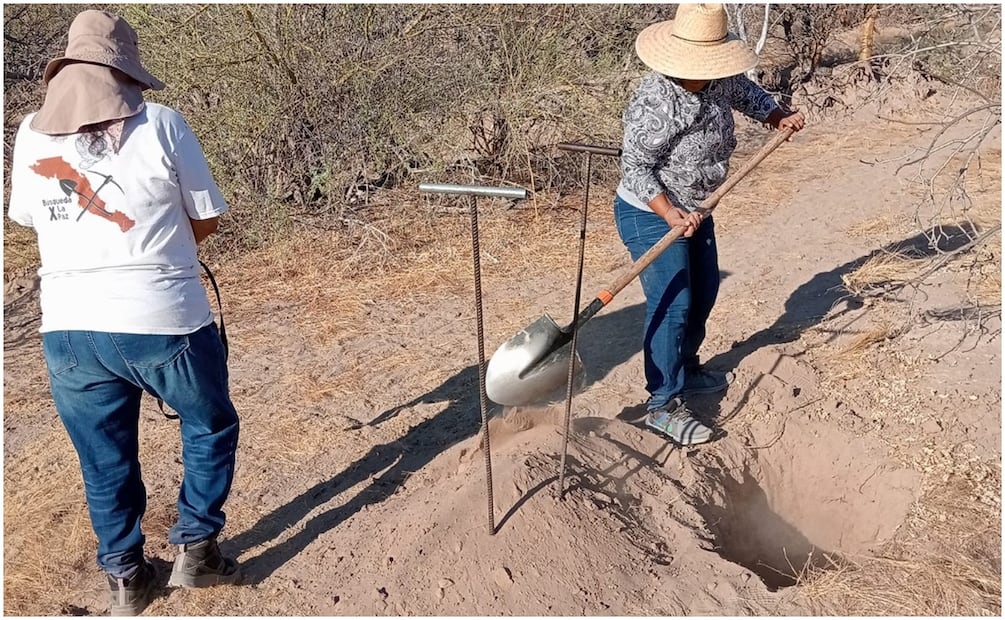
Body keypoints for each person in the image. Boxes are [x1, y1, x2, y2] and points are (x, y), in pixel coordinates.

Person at [7, 10, 241, 615]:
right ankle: (196, 548)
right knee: (209, 423)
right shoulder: (162, 124)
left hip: (69, 328)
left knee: (103, 456)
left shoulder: (30, 133)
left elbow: (28, 219)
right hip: (163, 318)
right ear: (124, 72)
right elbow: (206, 217)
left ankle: (125, 577)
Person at [616, 3, 805, 446]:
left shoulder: (719, 80)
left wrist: (776, 116)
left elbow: (747, 94)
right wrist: (668, 213)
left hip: (699, 208)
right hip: (650, 212)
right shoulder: (655, 101)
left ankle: (687, 368)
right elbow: (636, 169)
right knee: (674, 304)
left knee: (704, 293)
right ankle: (662, 404)